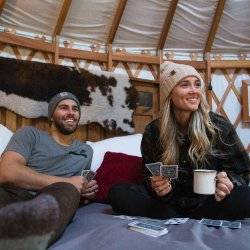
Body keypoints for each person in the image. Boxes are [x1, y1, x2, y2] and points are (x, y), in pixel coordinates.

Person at [108, 61, 250, 220]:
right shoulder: (153, 131)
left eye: (197, 85)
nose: (194, 91)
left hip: (208, 202)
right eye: (185, 85)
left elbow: (243, 171)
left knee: (245, 196)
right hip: (169, 203)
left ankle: (173, 218)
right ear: (170, 93)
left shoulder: (218, 126)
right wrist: (159, 188)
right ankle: (176, 216)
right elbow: (148, 175)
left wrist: (228, 181)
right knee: (118, 192)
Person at [0, 92, 98, 249]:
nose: (71, 112)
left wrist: (84, 189)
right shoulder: (30, 134)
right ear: (51, 116)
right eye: (64, 108)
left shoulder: (86, 151)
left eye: (75, 109)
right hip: (13, 193)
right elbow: (6, 172)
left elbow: (77, 185)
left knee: (69, 190)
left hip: (52, 198)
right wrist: (68, 181)